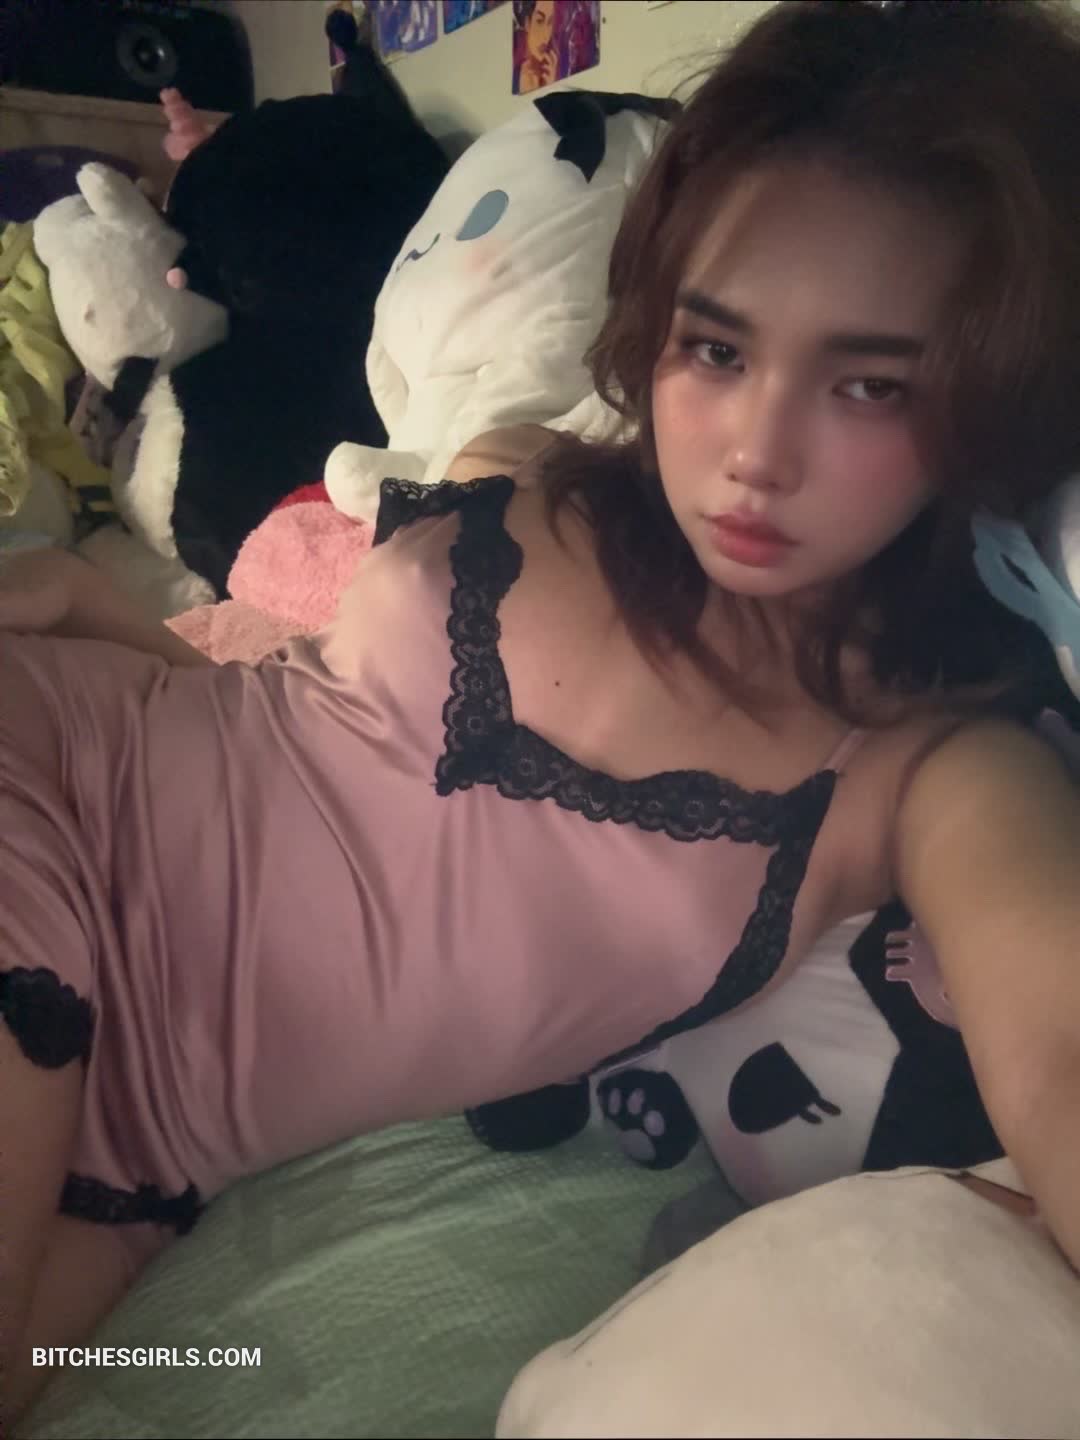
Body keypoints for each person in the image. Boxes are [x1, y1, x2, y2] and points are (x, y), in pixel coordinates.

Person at [4, 0, 1080, 1423]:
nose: (754, 452)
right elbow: (324, 738)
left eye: (871, 383)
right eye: (715, 350)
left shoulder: (939, 767)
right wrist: (122, 622)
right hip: (49, 803)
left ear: (994, 397)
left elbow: (1060, 1054)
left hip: (148, 1160)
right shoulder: (528, 466)